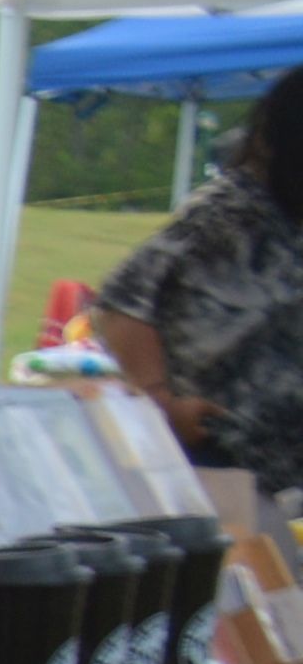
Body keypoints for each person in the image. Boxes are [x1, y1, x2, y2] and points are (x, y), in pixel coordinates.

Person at [96, 63, 303, 499]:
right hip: (224, 467)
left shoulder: (290, 216)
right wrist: (159, 401)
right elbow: (122, 304)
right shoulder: (227, 214)